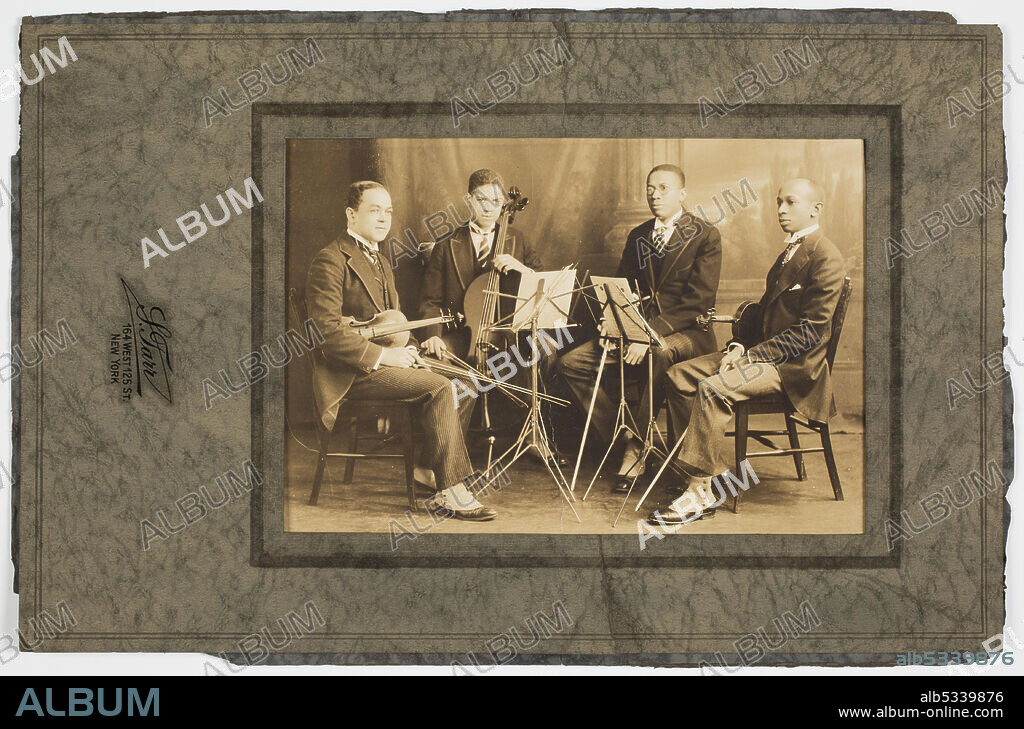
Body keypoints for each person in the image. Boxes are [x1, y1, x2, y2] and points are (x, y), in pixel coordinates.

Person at [649, 178, 846, 525]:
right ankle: (706, 473)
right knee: (678, 375)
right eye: (778, 202)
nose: (781, 210)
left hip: (795, 368)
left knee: (712, 388)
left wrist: (750, 356)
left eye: (790, 202)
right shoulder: (790, 252)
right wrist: (739, 344)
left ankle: (698, 492)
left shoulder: (826, 256)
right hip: (765, 354)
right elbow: (764, 311)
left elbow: (811, 333)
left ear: (815, 209)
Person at [304, 180, 497, 521]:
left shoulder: (380, 260)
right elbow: (325, 334)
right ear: (351, 214)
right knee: (439, 387)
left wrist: (415, 349)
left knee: (465, 379)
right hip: (350, 373)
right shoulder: (330, 259)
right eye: (374, 210)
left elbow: (392, 326)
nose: (383, 218)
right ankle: (451, 491)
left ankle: (428, 470)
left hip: (382, 365)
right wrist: (385, 357)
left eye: (388, 211)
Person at [557, 164, 721, 493]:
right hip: (638, 330)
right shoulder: (638, 236)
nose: (654, 194)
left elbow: (698, 302)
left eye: (663, 188)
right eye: (650, 188)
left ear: (682, 195)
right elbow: (622, 288)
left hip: (687, 333)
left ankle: (638, 448)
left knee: (660, 353)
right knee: (570, 363)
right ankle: (622, 436)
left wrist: (648, 334)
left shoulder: (706, 235)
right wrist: (613, 323)